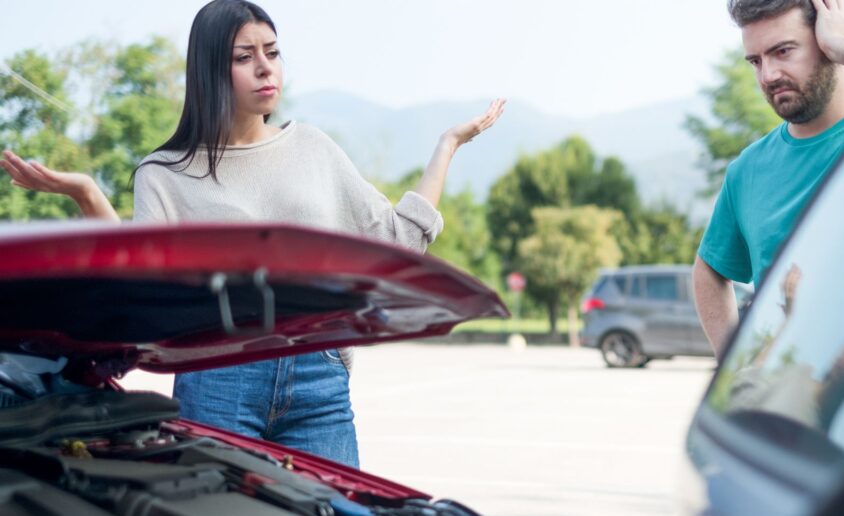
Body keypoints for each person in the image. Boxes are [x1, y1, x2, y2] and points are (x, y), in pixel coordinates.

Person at [0, 0, 505, 468]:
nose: (267, 67)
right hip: (217, 378)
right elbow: (139, 297)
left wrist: (446, 146)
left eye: (274, 52)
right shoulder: (165, 173)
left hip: (318, 376)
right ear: (210, 71)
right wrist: (89, 195)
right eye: (246, 56)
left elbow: (399, 242)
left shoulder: (312, 147)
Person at [693, 0, 844, 358]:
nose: (767, 75)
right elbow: (709, 270)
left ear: (824, 39)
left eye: (783, 51)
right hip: (790, 399)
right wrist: (731, 367)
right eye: (756, 61)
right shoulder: (747, 170)